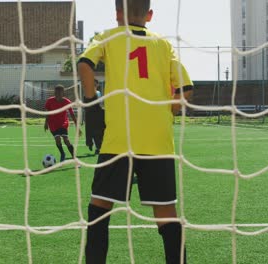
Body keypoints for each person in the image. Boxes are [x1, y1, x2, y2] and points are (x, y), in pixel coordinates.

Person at [78, 0, 194, 263]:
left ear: (117, 13)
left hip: (118, 140)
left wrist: (92, 105)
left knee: (100, 209)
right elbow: (186, 89)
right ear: (149, 15)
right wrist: (167, 112)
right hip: (158, 143)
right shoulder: (163, 45)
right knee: (166, 213)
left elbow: (85, 64)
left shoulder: (107, 36)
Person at [44, 84, 80, 162]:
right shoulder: (50, 101)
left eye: (60, 92)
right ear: (54, 92)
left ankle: (75, 158)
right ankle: (62, 153)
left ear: (63, 93)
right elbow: (48, 112)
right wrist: (46, 123)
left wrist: (77, 126)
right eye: (56, 92)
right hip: (52, 124)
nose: (58, 94)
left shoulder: (67, 102)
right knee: (57, 140)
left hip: (63, 123)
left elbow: (72, 114)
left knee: (66, 140)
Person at [84, 79, 105, 155]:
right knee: (92, 132)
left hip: (99, 114)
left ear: (97, 85)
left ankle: (99, 147)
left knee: (100, 132)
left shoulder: (98, 93)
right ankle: (93, 145)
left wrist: (102, 110)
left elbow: (99, 104)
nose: (94, 86)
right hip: (90, 115)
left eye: (95, 85)